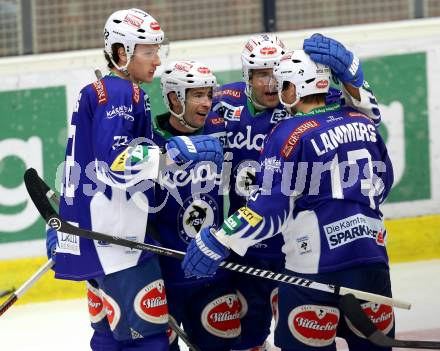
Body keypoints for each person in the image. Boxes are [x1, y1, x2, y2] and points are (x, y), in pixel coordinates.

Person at [182, 50, 395, 351]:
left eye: (283, 85)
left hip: (315, 269)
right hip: (373, 260)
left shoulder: (287, 133)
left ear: (297, 88)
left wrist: (221, 238)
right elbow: (383, 183)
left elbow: (269, 209)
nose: (278, 92)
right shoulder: (361, 121)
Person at [45, 9, 222, 351]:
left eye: (158, 50)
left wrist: (67, 218)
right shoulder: (121, 94)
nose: (157, 60)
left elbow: (85, 163)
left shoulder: (103, 91)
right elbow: (116, 164)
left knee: (110, 340)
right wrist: (180, 149)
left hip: (101, 237)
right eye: (148, 51)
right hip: (117, 242)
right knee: (149, 342)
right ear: (122, 53)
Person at [152, 60, 241, 350]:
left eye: (208, 95)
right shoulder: (150, 140)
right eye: (197, 96)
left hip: (214, 272)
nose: (206, 103)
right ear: (174, 98)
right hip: (166, 278)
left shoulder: (220, 128)